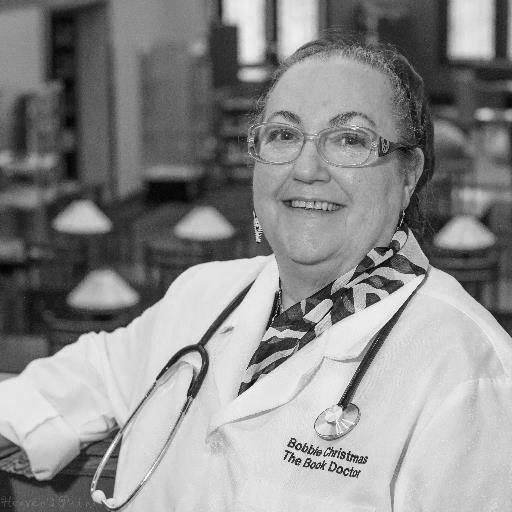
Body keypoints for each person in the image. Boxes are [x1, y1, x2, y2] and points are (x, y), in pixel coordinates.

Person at [1, 33, 512, 511]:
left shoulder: (469, 372)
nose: (306, 169)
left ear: (408, 175)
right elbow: (75, 382)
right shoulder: (203, 294)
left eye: (350, 140)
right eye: (284, 135)